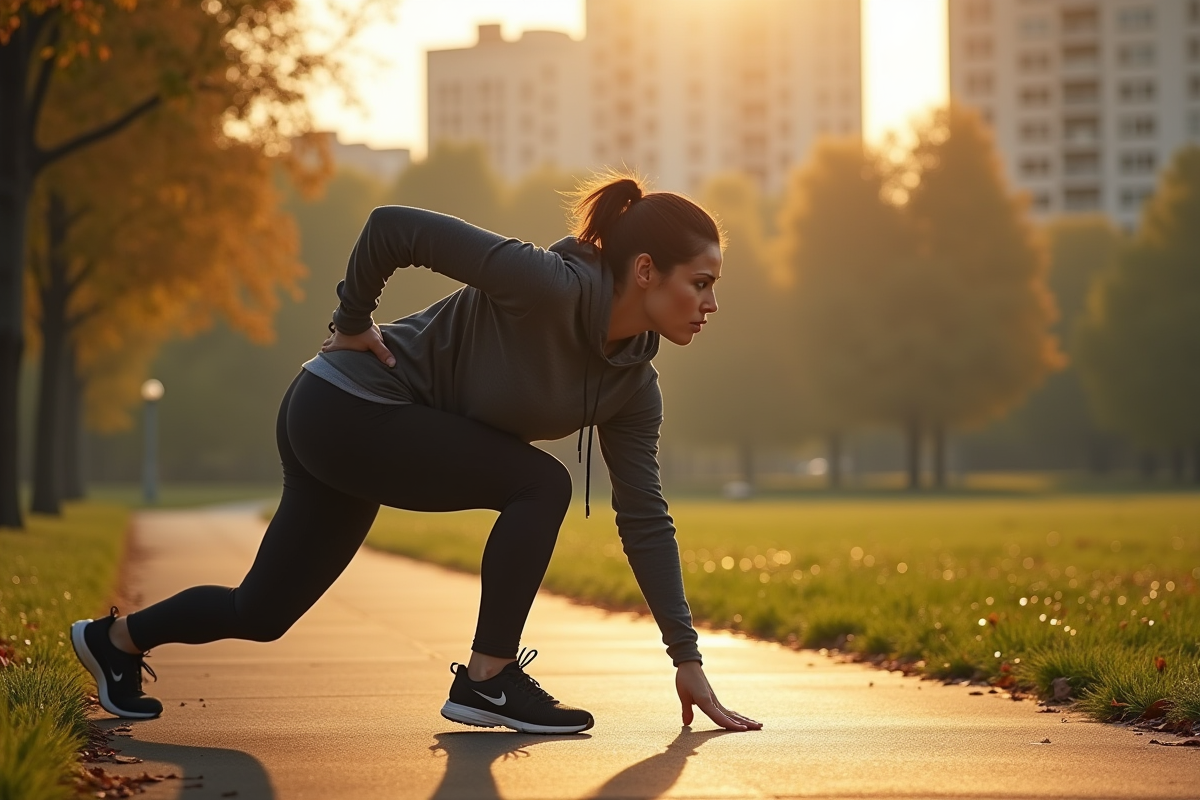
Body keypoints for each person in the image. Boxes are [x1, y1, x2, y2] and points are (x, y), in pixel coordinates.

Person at [71, 174, 762, 735]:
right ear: (645, 271)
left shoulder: (633, 390)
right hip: (344, 406)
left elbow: (645, 518)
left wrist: (687, 656)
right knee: (541, 485)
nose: (712, 303)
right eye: (701, 283)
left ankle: (116, 642)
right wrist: (350, 321)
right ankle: (488, 681)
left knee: (262, 613)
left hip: (358, 425)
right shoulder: (546, 283)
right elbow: (391, 227)